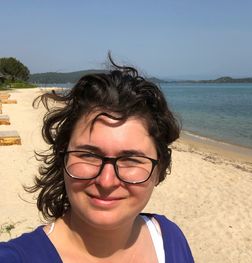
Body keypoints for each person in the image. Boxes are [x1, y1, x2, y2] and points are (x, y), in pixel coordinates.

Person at [0, 56, 194, 262]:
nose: (106, 181)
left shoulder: (170, 239)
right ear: (63, 158)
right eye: (88, 155)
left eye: (131, 159)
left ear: (159, 170)